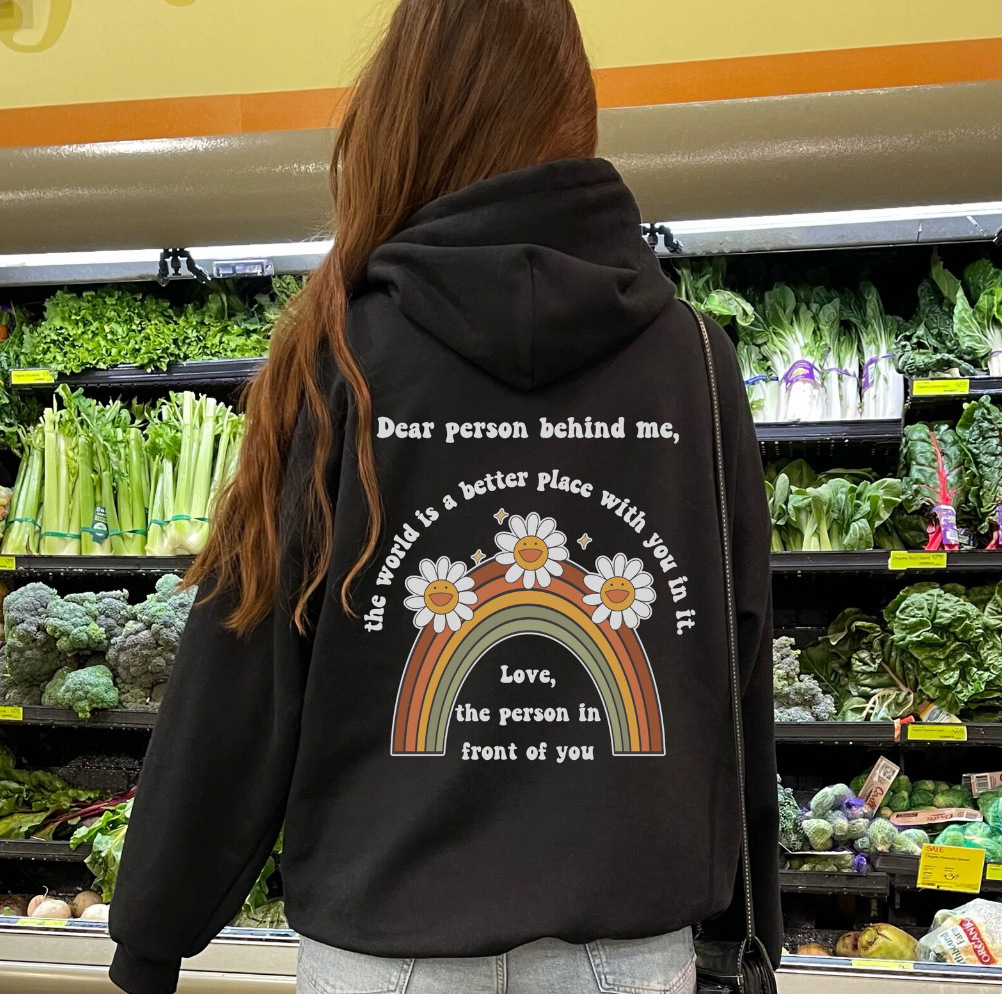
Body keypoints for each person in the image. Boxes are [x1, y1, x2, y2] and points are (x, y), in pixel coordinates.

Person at [109, 1, 781, 992]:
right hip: (628, 956)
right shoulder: (695, 358)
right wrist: (750, 923)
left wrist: (152, 935)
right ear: (577, 116)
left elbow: (245, 664)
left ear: (404, 117)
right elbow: (733, 662)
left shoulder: (339, 354)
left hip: (384, 948)